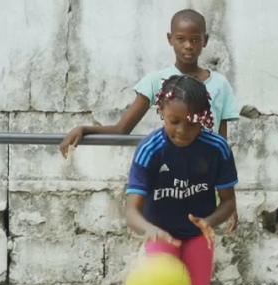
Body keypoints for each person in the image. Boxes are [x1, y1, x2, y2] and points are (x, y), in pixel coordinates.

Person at [61, 8, 240, 230]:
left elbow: (222, 147)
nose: (188, 46)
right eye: (181, 39)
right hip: (165, 187)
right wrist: (85, 129)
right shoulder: (156, 81)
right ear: (170, 39)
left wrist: (229, 204)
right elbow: (122, 128)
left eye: (195, 40)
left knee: (197, 249)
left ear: (205, 41)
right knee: (162, 251)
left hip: (200, 189)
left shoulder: (220, 85)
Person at [125, 74, 237, 285]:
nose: (181, 131)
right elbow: (131, 210)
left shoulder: (216, 148)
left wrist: (211, 222)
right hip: (162, 232)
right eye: (174, 122)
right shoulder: (150, 149)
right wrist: (149, 230)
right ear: (161, 114)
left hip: (197, 235)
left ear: (204, 118)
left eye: (190, 124)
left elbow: (229, 202)